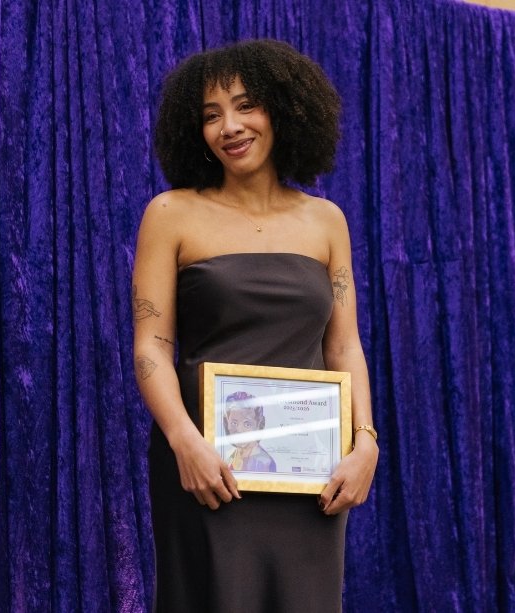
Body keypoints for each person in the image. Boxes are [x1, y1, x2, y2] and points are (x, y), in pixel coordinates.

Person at [132, 39, 378, 613]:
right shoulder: (171, 213)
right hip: (206, 469)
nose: (230, 126)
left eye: (246, 106)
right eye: (211, 115)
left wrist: (365, 443)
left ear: (286, 111)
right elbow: (151, 344)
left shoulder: (326, 220)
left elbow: (344, 344)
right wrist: (183, 442)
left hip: (309, 477)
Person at [222, 391, 276, 473]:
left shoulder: (264, 463)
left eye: (247, 424)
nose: (239, 430)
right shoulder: (229, 457)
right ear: (227, 422)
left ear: (259, 425)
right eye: (234, 423)